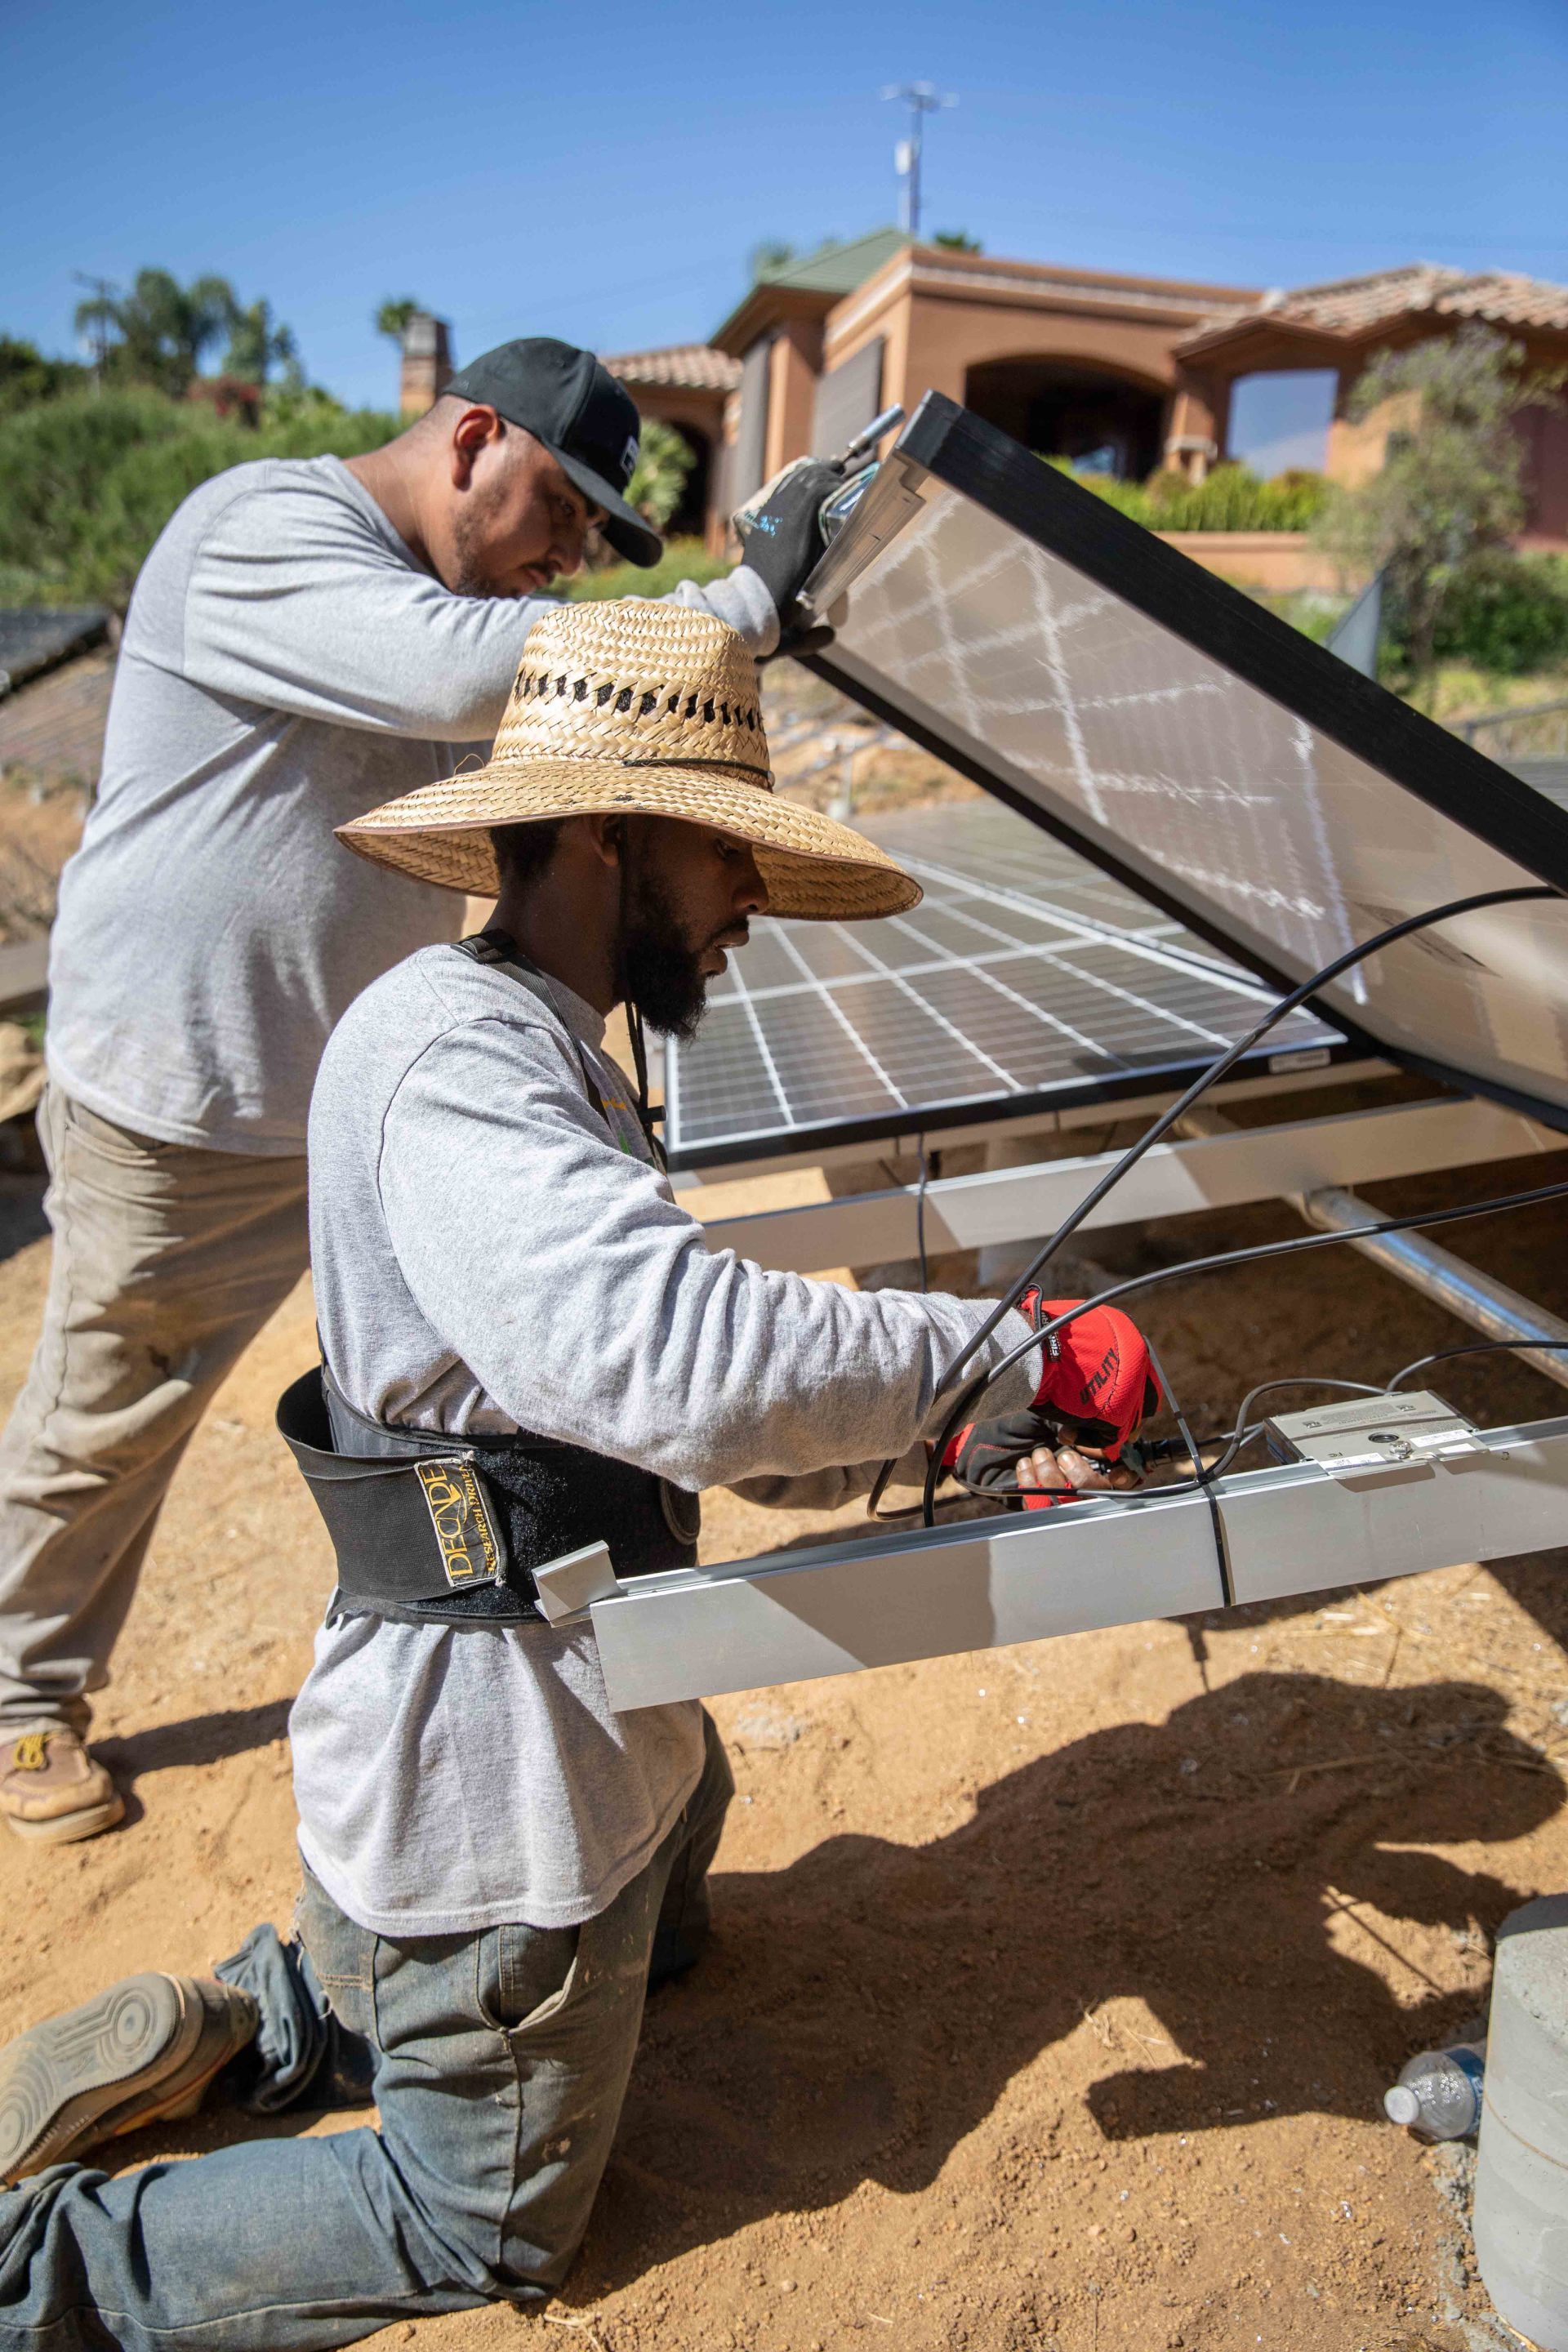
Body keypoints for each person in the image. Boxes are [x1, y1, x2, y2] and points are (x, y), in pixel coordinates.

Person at [0, 602, 1153, 2344]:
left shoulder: (535, 1038)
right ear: (612, 831)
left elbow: (643, 1406)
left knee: (667, 1869)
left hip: (574, 1711)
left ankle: (290, 2007)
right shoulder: (456, 1061)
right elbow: (672, 1362)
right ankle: (58, 2268)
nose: (751, 900)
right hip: (488, 1785)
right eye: (732, 855)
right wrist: (991, 1354)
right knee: (481, 2229)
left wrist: (954, 1443)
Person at [0, 336, 842, 1843]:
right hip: (185, 1103)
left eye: (596, 537)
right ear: (469, 439)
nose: (571, 556)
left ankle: (522, 1662)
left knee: (477, 1397)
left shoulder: (453, 593)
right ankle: (17, 1695)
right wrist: (736, 612)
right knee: (108, 1413)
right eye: (562, 511)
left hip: (361, 1099)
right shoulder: (261, 531)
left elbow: (541, 693)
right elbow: (467, 673)